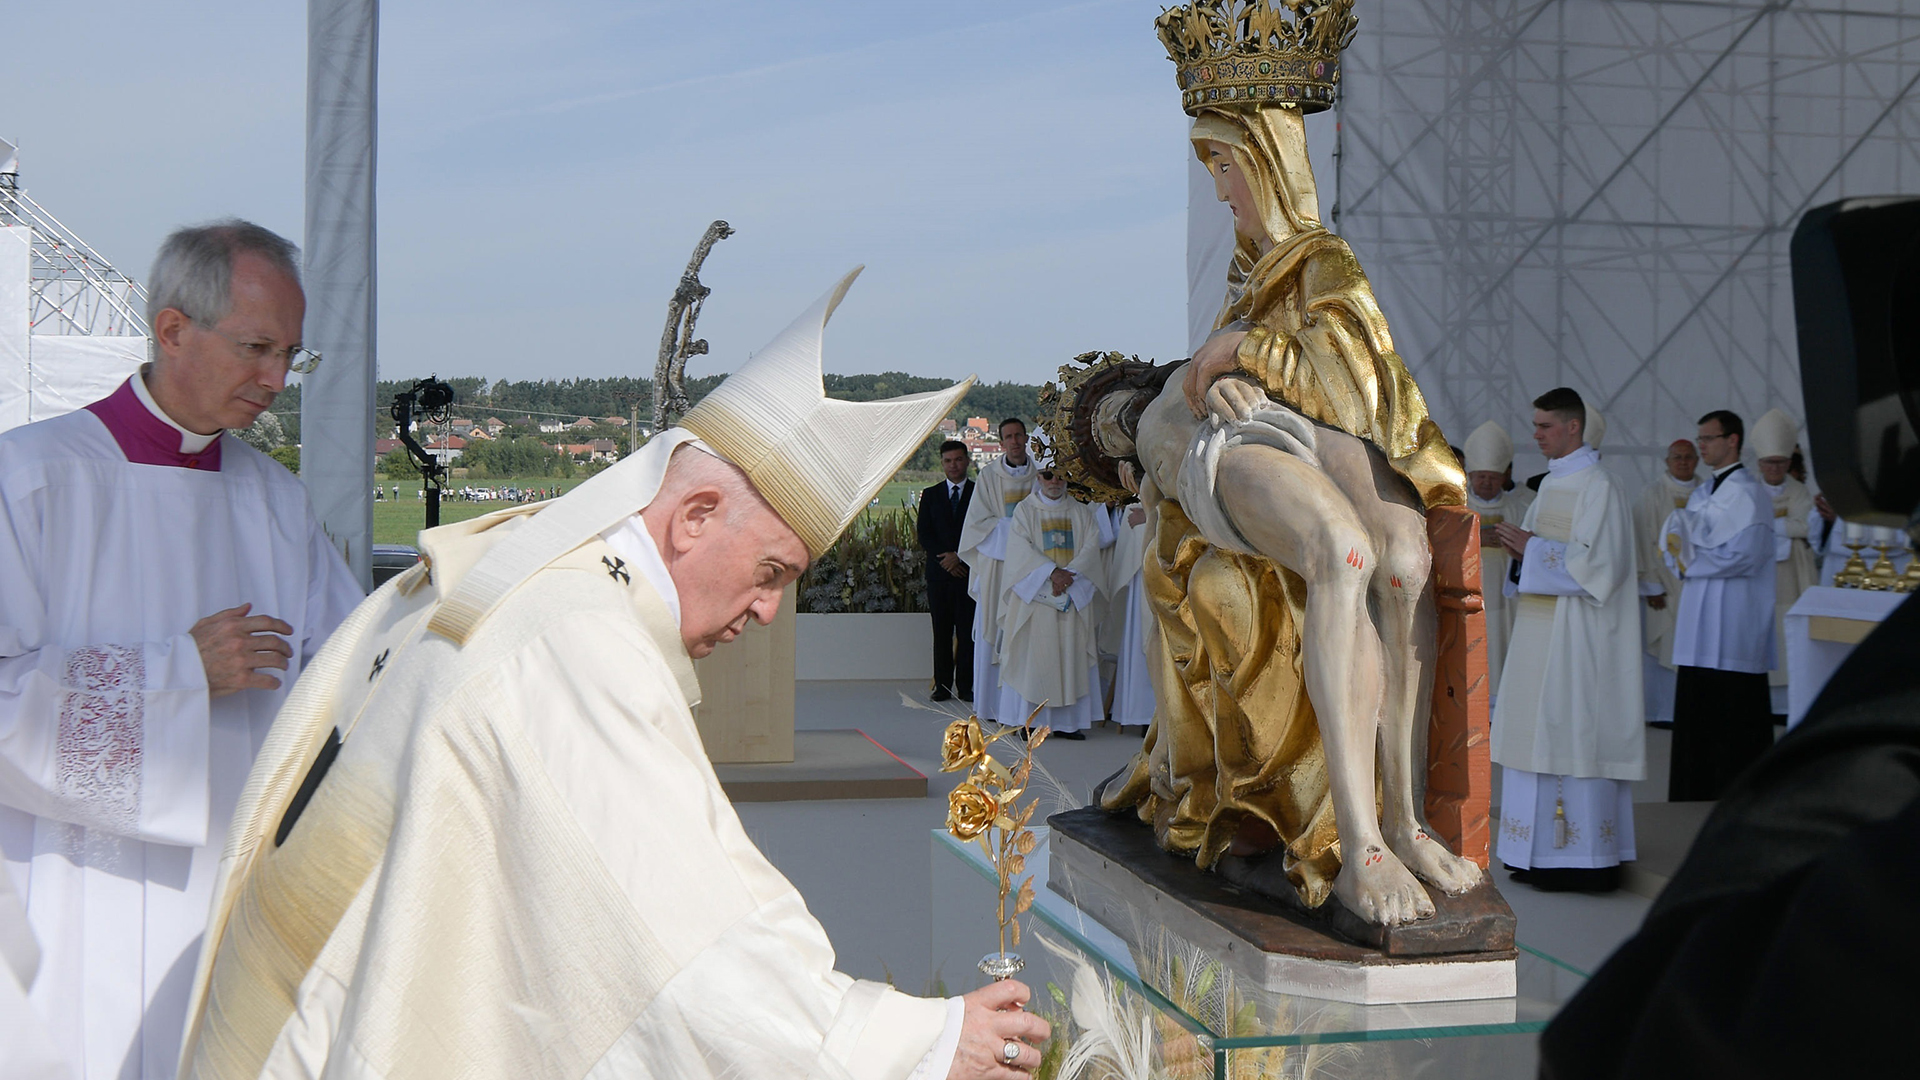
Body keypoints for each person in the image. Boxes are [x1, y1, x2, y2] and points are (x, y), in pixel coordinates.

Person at [176, 271, 1049, 1080]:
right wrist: (925, 1045)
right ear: (696, 515)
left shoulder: (518, 570)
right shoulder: (576, 644)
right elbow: (692, 957)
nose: (770, 613)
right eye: (773, 573)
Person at [1094, 49, 1482, 926]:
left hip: (1293, 427)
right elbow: (1205, 390)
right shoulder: (1197, 356)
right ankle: (1363, 844)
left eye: (1227, 166)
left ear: (1268, 163)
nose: (1223, 191)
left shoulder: (1319, 263)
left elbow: (1357, 387)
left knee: (1406, 561)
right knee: (1344, 551)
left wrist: (1239, 358)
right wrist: (1221, 371)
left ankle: (1405, 819)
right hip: (1233, 443)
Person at [0, 219, 362, 1080]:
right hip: (72, 886)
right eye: (256, 348)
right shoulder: (29, 479)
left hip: (228, 885)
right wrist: (173, 674)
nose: (276, 379)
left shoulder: (275, 502)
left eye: (291, 355)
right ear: (171, 330)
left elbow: (344, 676)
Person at [1489, 388, 1644, 892]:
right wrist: (1520, 554)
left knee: (1569, 733)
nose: (1535, 435)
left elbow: (1602, 567)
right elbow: (1530, 561)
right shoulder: (1550, 488)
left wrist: (1532, 550)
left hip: (1579, 642)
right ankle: (1530, 850)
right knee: (1532, 736)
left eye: (1544, 426)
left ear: (1572, 427)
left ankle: (1580, 858)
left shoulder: (1601, 487)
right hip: (1539, 632)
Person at [1662, 409, 1776, 801]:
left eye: (1708, 439)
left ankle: (1738, 798)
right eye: (1699, 440)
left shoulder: (1749, 492)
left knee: (1734, 720)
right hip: (1699, 623)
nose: (1701, 447)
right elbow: (1680, 544)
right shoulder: (1702, 492)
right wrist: (1680, 556)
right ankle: (1693, 796)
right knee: (1699, 719)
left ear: (1732, 440)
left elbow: (1748, 554)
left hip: (1735, 624)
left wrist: (1692, 562)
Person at [995, 444, 1107, 741]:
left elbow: (1090, 550)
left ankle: (1068, 724)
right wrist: (1051, 574)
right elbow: (1020, 552)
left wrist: (1067, 579)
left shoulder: (1082, 513)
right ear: (1039, 478)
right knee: (1035, 661)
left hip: (1071, 597)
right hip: (1037, 601)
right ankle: (1029, 722)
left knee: (1071, 658)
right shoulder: (1024, 511)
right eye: (1048, 476)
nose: (1055, 482)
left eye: (1060, 476)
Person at [957, 419, 1036, 722]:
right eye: (1008, 437)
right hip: (997, 569)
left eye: (1018, 435)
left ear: (1026, 439)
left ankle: (1022, 709)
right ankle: (990, 705)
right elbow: (976, 526)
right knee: (994, 629)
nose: (1014, 442)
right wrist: (1016, 528)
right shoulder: (989, 476)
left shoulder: (1040, 476)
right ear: (1001, 443)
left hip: (1030, 569)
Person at [1749, 409, 1817, 716]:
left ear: (1789, 463)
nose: (1774, 468)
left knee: (1787, 636)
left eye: (1780, 462)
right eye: (1769, 462)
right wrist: (1785, 523)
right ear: (1760, 463)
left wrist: (1769, 524)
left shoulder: (1799, 490)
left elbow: (1805, 527)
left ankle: (1787, 705)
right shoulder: (1748, 489)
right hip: (1757, 576)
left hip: (1792, 576)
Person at [1634, 440, 1703, 727]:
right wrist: (1650, 586)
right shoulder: (1652, 494)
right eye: (1677, 458)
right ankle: (1661, 712)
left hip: (1699, 585)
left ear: (1697, 460)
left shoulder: (1708, 492)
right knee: (1661, 646)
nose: (1683, 463)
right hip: (1662, 586)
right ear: (1667, 461)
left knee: (1697, 647)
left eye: (1688, 457)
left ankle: (1693, 710)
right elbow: (1642, 539)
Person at [1461, 421, 1533, 697]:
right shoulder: (1458, 504)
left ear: (1504, 476)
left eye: (1492, 476)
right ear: (1470, 474)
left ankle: (1504, 699)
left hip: (1508, 600)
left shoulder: (1522, 504)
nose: (1486, 482)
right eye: (1480, 476)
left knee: (1505, 645)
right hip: (1469, 596)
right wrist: (1476, 538)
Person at [918, 441, 975, 703]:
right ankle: (942, 686)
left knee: (967, 634)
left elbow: (982, 532)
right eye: (948, 460)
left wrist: (960, 558)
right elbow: (924, 535)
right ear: (942, 463)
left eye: (958, 459)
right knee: (941, 633)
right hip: (940, 576)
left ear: (967, 461)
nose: (954, 465)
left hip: (968, 574)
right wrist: (947, 560)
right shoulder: (930, 495)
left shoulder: (979, 494)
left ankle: (966, 687)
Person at [1102, 500, 1154, 730]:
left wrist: (1152, 515)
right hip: (1141, 576)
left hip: (1169, 568)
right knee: (1139, 639)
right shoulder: (1133, 497)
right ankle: (1140, 714)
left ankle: (1158, 716)